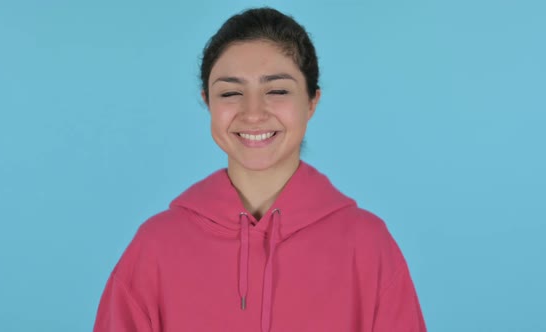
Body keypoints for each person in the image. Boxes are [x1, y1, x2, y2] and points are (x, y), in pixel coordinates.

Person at [94, 7, 426, 332]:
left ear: (312, 102)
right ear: (208, 102)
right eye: (231, 92)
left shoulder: (367, 245)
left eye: (278, 90)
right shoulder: (155, 247)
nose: (253, 113)